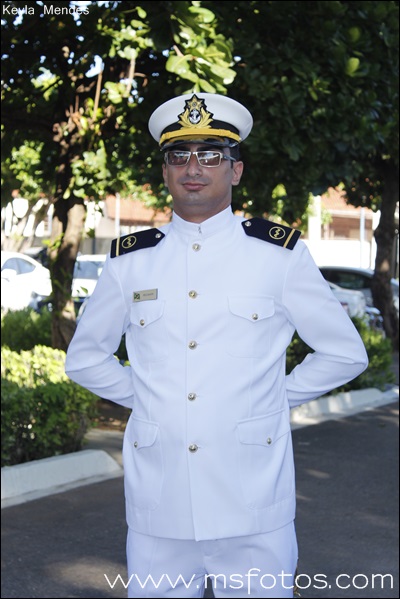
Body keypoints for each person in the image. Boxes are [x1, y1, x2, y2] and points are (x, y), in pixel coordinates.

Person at [65, 92, 368, 598]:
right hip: (160, 502)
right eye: (179, 156)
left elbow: (345, 353)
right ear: (165, 171)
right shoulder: (130, 261)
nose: (193, 168)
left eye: (210, 156)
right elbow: (85, 359)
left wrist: (272, 397)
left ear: (236, 170)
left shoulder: (278, 255)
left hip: (253, 500)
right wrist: (149, 397)